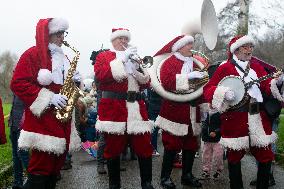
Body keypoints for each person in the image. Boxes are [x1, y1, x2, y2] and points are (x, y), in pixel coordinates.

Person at [203, 35, 283, 189]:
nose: (250, 50)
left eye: (251, 47)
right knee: (234, 157)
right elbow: (208, 90)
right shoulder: (225, 67)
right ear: (237, 49)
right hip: (235, 117)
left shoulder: (256, 67)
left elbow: (267, 86)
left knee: (265, 155)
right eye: (246, 47)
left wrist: (276, 82)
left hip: (258, 116)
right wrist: (223, 92)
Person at [10, 18, 81, 189]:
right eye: (58, 34)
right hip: (43, 120)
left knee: (54, 170)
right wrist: (49, 97)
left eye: (63, 33)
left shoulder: (64, 57)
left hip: (61, 120)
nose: (62, 37)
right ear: (47, 35)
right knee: (40, 169)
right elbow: (17, 83)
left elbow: (67, 87)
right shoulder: (32, 54)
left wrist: (75, 83)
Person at [94, 28, 154, 189]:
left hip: (136, 108)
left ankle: (147, 183)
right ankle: (114, 184)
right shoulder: (103, 56)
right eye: (120, 39)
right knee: (113, 148)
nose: (123, 42)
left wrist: (136, 67)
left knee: (144, 145)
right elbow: (101, 76)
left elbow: (146, 83)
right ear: (112, 41)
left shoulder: (134, 58)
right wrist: (121, 60)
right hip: (114, 108)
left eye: (125, 39)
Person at [154, 35, 205, 188]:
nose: (191, 46)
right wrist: (189, 77)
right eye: (188, 44)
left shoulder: (196, 63)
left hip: (192, 109)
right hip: (174, 109)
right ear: (179, 47)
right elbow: (167, 83)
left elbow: (202, 86)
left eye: (191, 43)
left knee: (190, 144)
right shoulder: (170, 62)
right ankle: (165, 177)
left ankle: (187, 175)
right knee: (171, 145)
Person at [8, 95, 30, 189]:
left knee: (22, 154)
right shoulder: (16, 84)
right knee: (15, 155)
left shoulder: (26, 84)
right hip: (14, 124)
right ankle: (17, 182)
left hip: (22, 126)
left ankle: (35, 181)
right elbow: (15, 104)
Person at [200, 111, 223, 180]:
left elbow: (223, 125)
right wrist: (204, 132)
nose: (211, 104)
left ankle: (218, 170)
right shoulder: (205, 112)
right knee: (206, 156)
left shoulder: (220, 113)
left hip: (217, 140)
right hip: (207, 139)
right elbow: (203, 124)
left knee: (218, 156)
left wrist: (216, 132)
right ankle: (206, 171)